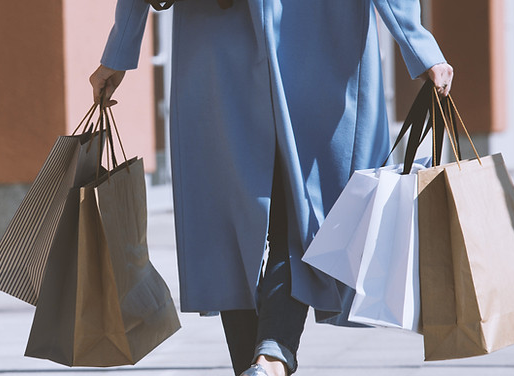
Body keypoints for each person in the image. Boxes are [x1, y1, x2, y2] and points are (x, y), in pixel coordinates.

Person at [89, 0, 452, 375]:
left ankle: (267, 359)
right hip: (316, 34)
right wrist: (416, 42)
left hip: (219, 32)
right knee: (304, 208)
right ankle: (271, 357)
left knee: (234, 214)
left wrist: (120, 48)